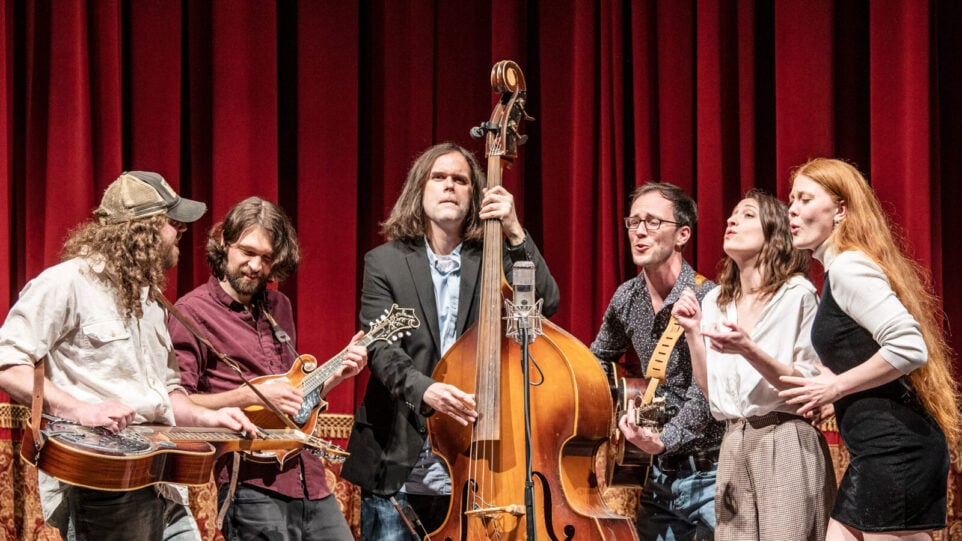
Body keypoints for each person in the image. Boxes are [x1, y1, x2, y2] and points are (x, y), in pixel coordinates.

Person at [0, 171, 259, 541]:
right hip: (104, 482)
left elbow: (166, 395)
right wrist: (80, 409)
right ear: (142, 230)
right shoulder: (66, 283)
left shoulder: (150, 301)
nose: (183, 231)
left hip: (161, 479)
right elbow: (7, 364)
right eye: (173, 222)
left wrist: (210, 416)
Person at [341, 142, 560, 540]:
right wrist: (428, 391)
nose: (449, 186)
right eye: (438, 177)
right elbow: (380, 349)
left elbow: (544, 302)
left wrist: (514, 232)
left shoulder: (493, 258)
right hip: (397, 463)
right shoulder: (384, 262)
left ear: (475, 195)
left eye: (460, 180)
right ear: (419, 190)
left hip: (472, 461)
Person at [779, 158, 961, 541]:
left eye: (806, 199)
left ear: (841, 210)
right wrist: (838, 394)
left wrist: (837, 387)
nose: (792, 209)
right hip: (879, 450)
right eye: (791, 199)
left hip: (896, 450)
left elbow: (909, 347)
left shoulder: (848, 268)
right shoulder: (838, 271)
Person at [167, 196, 366, 541]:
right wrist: (248, 395)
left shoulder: (279, 305)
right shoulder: (191, 312)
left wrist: (335, 377)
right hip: (252, 487)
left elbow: (291, 402)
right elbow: (177, 404)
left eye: (266, 258)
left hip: (310, 480)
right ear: (225, 244)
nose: (256, 267)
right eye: (247, 252)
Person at [671, 189, 836, 540]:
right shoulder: (717, 300)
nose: (731, 221)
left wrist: (748, 349)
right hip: (734, 439)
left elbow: (803, 388)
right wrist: (692, 333)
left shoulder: (795, 294)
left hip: (784, 436)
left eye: (746, 215)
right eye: (732, 215)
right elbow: (711, 390)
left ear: (774, 232)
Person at [591, 182, 724, 541]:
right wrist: (618, 399)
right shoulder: (627, 297)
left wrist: (664, 439)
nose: (640, 232)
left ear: (682, 235)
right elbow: (597, 359)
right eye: (633, 222)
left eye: (652, 222)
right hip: (656, 476)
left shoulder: (707, 297)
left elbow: (708, 388)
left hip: (710, 474)